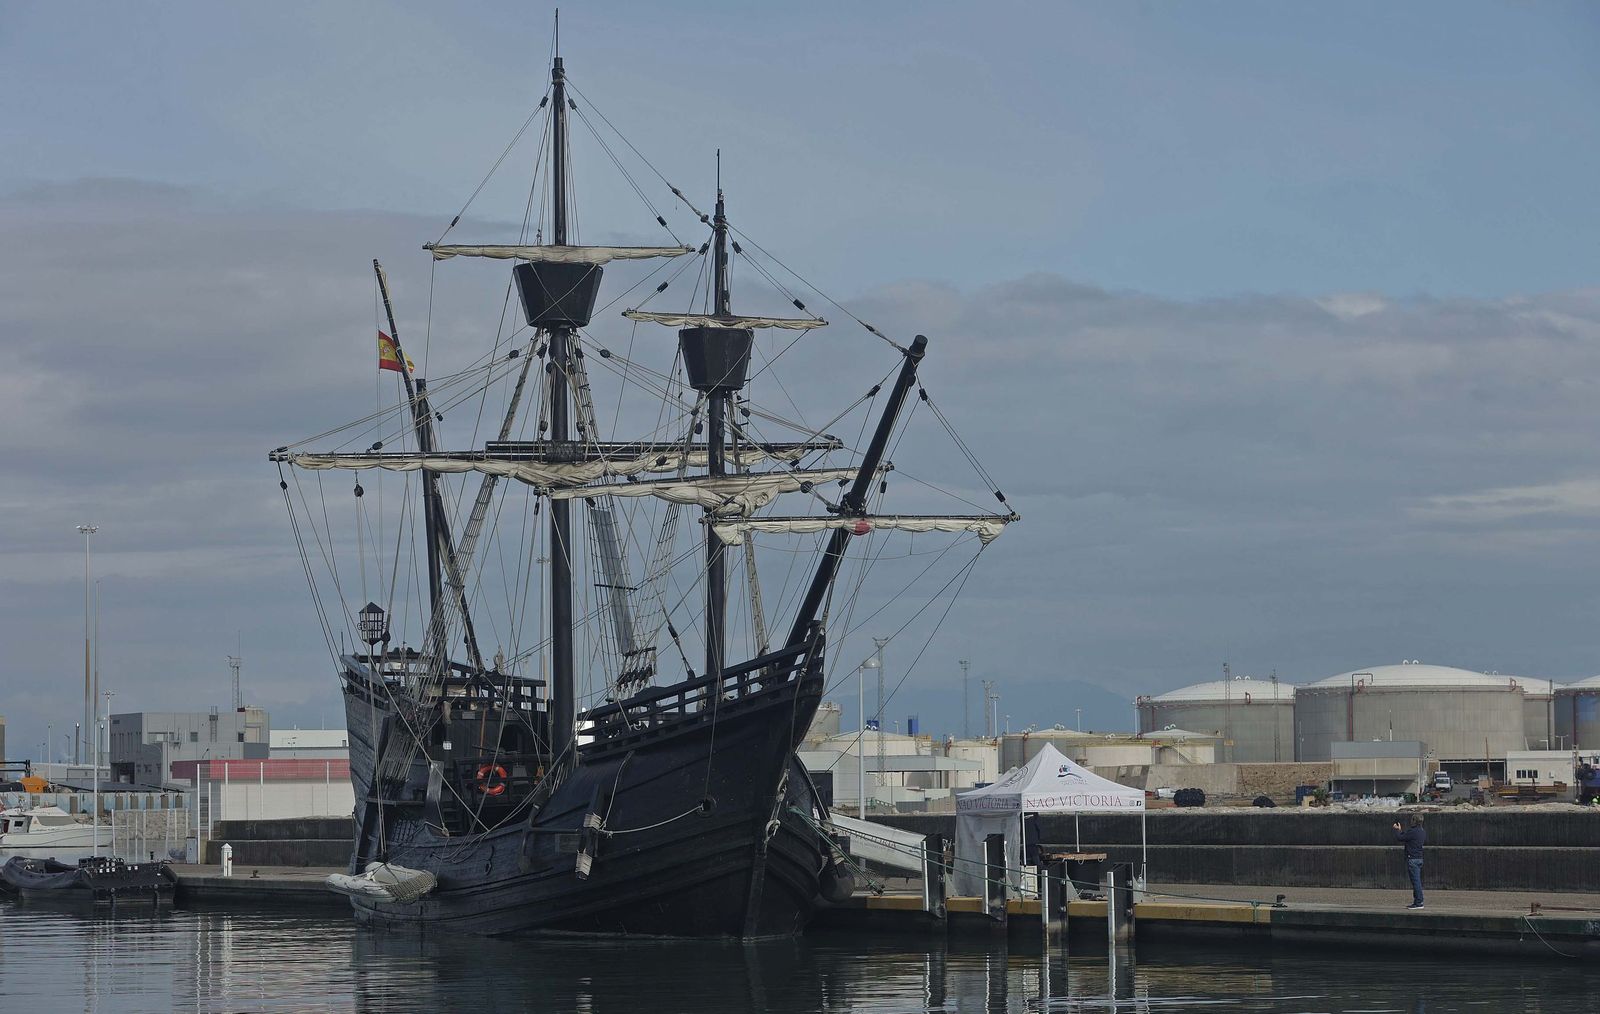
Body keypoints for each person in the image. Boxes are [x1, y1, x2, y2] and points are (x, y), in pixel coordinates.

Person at [1392, 814, 1426, 909]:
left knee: (1416, 882)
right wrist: (1400, 831)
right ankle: (1418, 901)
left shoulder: (1413, 831)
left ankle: (1419, 902)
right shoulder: (1422, 832)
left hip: (1413, 859)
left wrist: (1397, 829)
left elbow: (1400, 838)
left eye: (1412, 820)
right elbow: (1406, 837)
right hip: (1419, 858)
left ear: (1414, 821)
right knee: (1417, 881)